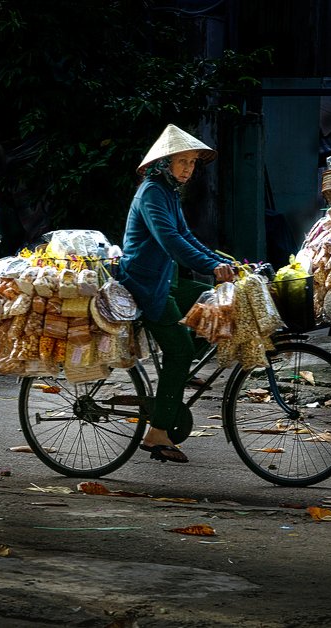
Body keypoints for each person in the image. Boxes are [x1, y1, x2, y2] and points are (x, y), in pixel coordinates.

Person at [112, 124, 234, 464]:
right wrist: (211, 266)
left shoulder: (168, 191)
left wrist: (221, 261)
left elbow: (187, 236)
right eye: (182, 161)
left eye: (193, 162)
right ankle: (157, 433)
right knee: (179, 351)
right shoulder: (152, 192)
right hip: (144, 285)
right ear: (164, 162)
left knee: (217, 304)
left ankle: (177, 373)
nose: (188, 169)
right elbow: (171, 241)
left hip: (166, 279)